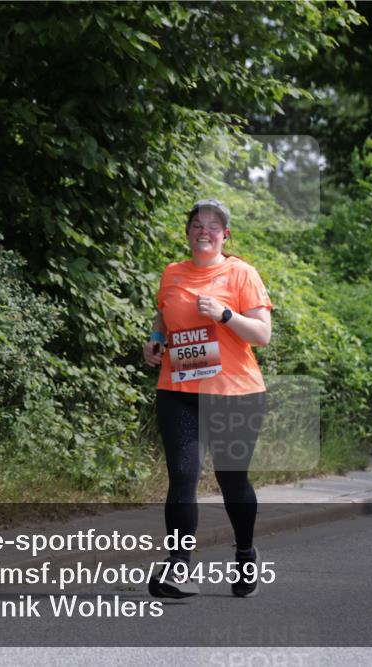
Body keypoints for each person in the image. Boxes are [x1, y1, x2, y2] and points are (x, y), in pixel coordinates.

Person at [143, 198, 272, 599]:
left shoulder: (241, 273)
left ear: (225, 235)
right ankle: (180, 566)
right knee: (182, 477)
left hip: (235, 393)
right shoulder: (172, 273)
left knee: (232, 482)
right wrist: (156, 339)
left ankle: (246, 552)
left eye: (213, 225)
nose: (204, 230)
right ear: (188, 232)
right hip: (179, 390)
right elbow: (165, 314)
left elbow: (262, 335)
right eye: (197, 224)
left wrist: (224, 315)